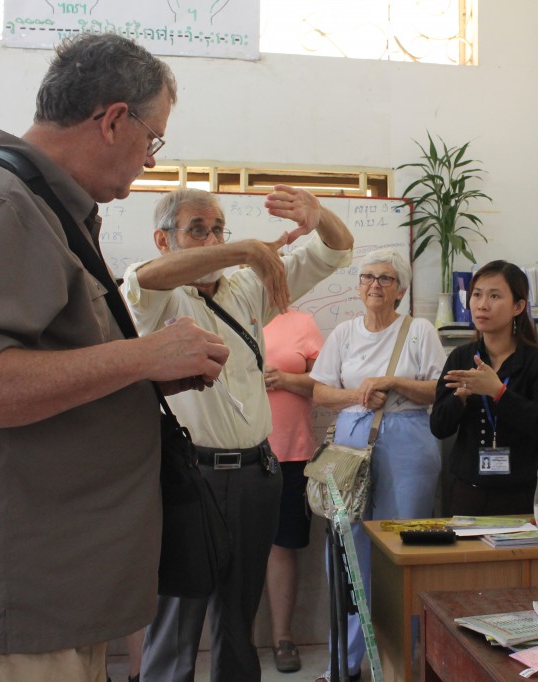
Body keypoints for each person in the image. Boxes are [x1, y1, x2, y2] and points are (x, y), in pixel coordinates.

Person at [0, 33, 230, 682]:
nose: (150, 159)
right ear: (113, 120)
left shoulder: (36, 206)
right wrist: (141, 358)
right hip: (10, 606)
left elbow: (38, 371)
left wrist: (145, 376)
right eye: (153, 139)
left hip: (46, 594)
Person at [121, 187, 352, 682]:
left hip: (256, 474)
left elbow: (337, 248)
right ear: (164, 239)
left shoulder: (246, 287)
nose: (211, 240)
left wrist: (320, 215)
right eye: (197, 230)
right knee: (177, 620)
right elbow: (142, 280)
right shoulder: (159, 294)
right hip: (189, 479)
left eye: (218, 229)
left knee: (238, 615)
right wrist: (243, 249)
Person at [310, 248, 446, 682]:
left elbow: (440, 391)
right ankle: (343, 665)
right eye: (367, 277)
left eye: (386, 279)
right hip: (350, 442)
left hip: (407, 439)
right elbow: (319, 392)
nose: (375, 285)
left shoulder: (419, 330)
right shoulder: (345, 333)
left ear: (401, 290)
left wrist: (394, 383)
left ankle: (399, 663)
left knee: (402, 547)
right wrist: (358, 396)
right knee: (347, 548)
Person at [430, 260, 538, 516]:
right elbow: (439, 426)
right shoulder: (461, 357)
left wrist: (498, 392)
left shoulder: (537, 361)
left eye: (494, 296)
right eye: (477, 294)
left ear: (518, 306)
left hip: (522, 493)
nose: (482, 304)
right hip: (468, 490)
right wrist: (461, 397)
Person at [261, 310, 325, 674]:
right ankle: (234, 636)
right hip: (235, 452)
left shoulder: (301, 322)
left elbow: (327, 384)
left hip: (291, 452)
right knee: (230, 547)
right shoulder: (222, 313)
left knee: (283, 545)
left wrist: (285, 378)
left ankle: (283, 637)